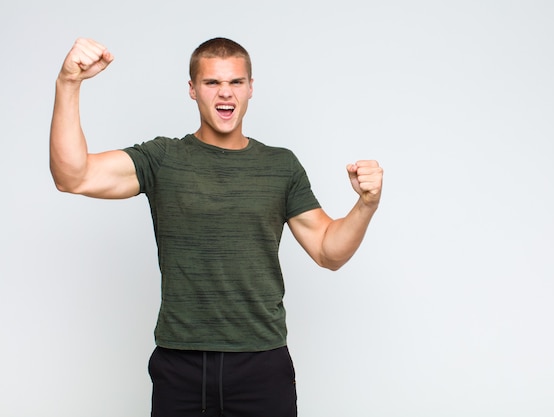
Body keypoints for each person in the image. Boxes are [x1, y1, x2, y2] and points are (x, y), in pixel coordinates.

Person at [50, 37, 383, 417]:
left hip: (261, 363)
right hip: (181, 364)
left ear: (251, 88)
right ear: (192, 90)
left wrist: (365, 205)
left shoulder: (281, 166)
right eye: (211, 83)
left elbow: (329, 251)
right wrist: (68, 83)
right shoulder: (163, 159)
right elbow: (72, 176)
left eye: (236, 82)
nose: (225, 93)